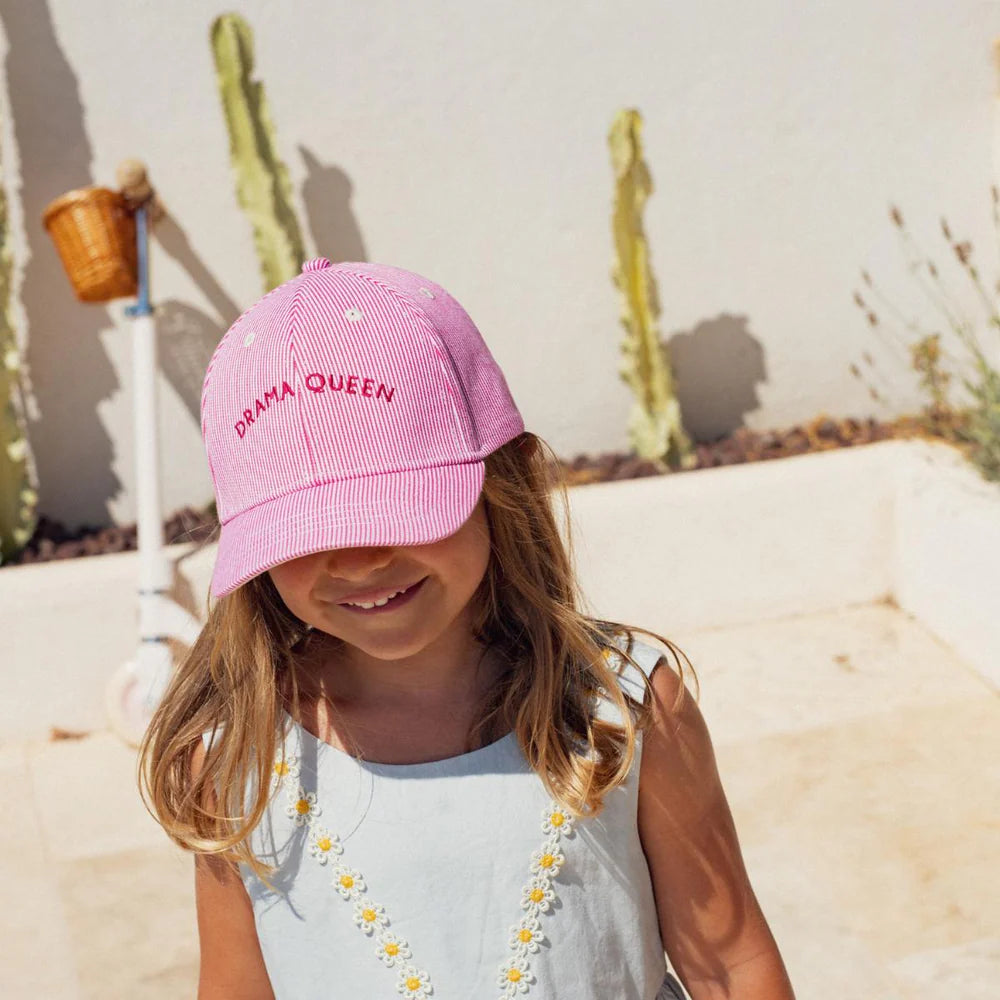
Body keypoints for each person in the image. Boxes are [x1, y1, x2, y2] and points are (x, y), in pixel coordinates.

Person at [138, 259, 795, 1000]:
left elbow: (730, 965)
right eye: (303, 529)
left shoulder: (623, 707)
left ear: (501, 480)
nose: (358, 559)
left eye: (398, 505)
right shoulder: (238, 757)